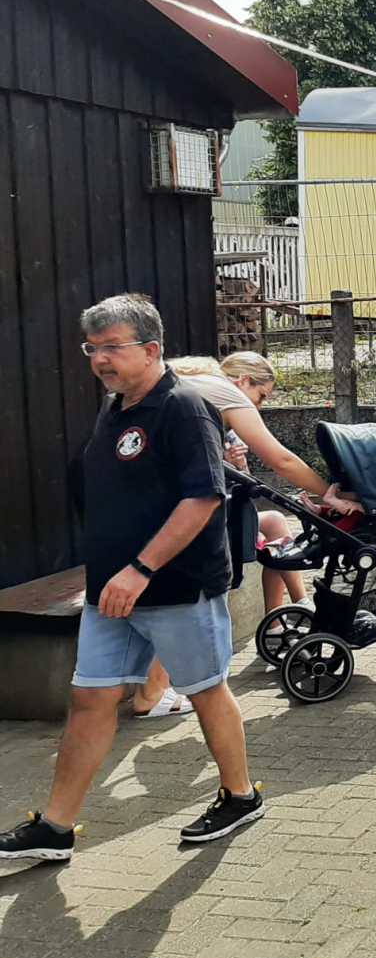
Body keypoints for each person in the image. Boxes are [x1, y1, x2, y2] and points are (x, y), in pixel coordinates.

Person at [0, 295, 265, 863]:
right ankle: (56, 827)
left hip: (174, 586)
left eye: (112, 347)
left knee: (205, 690)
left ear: (151, 349)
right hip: (110, 590)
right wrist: (108, 570)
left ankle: (240, 796)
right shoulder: (115, 408)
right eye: (92, 348)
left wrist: (141, 568)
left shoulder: (185, 408)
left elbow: (203, 498)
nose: (100, 359)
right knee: (90, 697)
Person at [133, 352, 358, 719]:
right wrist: (329, 493)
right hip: (177, 511)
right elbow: (281, 460)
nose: (259, 405)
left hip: (143, 504)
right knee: (190, 598)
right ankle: (153, 692)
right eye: (261, 395)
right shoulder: (224, 392)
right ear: (243, 381)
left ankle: (152, 688)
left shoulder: (185, 386)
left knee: (174, 595)